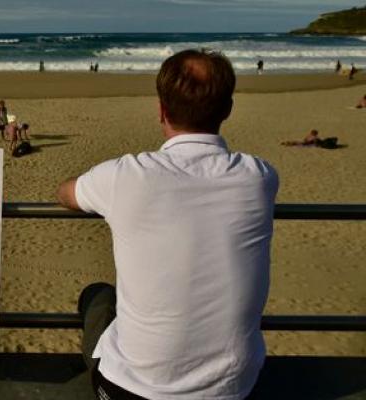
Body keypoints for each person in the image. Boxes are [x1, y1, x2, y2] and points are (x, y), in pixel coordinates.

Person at [57, 49, 278, 399]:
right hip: (233, 389)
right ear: (227, 110)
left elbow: (66, 194)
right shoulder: (259, 177)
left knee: (98, 296)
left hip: (130, 391)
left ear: (161, 110)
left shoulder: (127, 176)